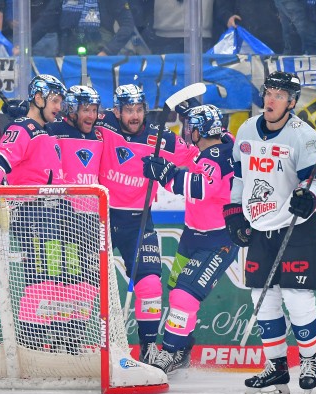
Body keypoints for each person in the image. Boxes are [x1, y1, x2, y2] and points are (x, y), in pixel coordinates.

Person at [223, 71, 316, 394]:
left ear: (292, 102)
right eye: (269, 92)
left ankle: (309, 360)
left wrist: (309, 197)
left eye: (280, 95)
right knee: (262, 299)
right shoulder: (247, 129)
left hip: (297, 227)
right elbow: (239, 175)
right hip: (260, 228)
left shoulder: (304, 135)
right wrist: (234, 210)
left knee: (297, 298)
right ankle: (276, 369)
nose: (271, 99)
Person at [96, 84, 199, 364]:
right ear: (116, 110)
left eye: (139, 109)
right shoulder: (101, 125)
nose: (134, 116)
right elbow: (66, 126)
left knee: (151, 284)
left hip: (138, 219)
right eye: (128, 110)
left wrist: (202, 123)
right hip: (98, 216)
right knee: (87, 284)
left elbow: (198, 153)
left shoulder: (159, 138)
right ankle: (85, 346)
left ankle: (149, 348)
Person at [141, 104, 237, 374]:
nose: (186, 132)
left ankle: (170, 352)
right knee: (177, 292)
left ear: (198, 132)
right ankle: (181, 348)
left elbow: (200, 187)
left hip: (218, 240)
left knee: (184, 295)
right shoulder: (225, 142)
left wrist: (166, 174)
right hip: (192, 234)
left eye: (189, 127)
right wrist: (193, 114)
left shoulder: (214, 157)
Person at [0, 74, 67, 351]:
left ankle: (61, 341)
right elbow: (3, 155)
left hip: (57, 216)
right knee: (40, 279)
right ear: (38, 99)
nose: (58, 106)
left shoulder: (44, 128)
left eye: (60, 101)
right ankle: (31, 346)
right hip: (32, 214)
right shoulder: (23, 128)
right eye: (53, 100)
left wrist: (26, 114)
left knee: (59, 280)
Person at [45, 85, 103, 354]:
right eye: (85, 109)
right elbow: (26, 139)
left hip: (92, 218)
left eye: (94, 109)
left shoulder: (101, 133)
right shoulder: (53, 131)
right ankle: (57, 336)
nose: (91, 115)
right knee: (58, 279)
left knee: (87, 281)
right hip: (59, 217)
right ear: (71, 109)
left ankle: (75, 337)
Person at [59, 0, 135, 56]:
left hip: (100, 51)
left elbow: (128, 25)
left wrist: (108, 51)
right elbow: (52, 19)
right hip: (69, 51)